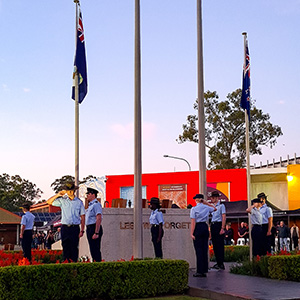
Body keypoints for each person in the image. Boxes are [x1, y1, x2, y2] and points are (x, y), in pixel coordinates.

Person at [47, 182, 85, 262]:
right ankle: (66, 264)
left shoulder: (79, 202)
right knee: (65, 247)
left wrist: (82, 230)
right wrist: (58, 195)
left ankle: (74, 266)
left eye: (71, 190)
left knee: (74, 247)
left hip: (75, 228)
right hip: (65, 227)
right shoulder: (62, 201)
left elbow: (83, 216)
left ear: (74, 191)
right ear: (66, 191)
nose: (70, 192)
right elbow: (49, 202)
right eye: (68, 190)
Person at [190, 194, 216, 278]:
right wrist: (207, 203)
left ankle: (200, 271)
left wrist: (192, 233)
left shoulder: (194, 209)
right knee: (205, 248)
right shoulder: (206, 207)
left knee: (198, 250)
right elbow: (214, 208)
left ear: (196, 200)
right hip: (205, 227)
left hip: (198, 227)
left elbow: (193, 221)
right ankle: (205, 269)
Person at [85, 187, 103, 262]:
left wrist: (96, 232)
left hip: (94, 227)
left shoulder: (96, 205)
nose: (87, 196)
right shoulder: (90, 205)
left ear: (93, 194)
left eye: (88, 194)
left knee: (95, 249)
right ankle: (95, 262)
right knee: (92, 249)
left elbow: (98, 218)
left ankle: (97, 265)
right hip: (89, 228)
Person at [210, 191, 226, 270]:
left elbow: (223, 216)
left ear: (216, 198)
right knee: (215, 244)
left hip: (218, 224)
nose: (212, 199)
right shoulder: (212, 206)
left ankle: (221, 263)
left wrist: (222, 228)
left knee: (220, 244)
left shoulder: (221, 206)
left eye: (213, 197)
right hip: (213, 224)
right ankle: (218, 262)